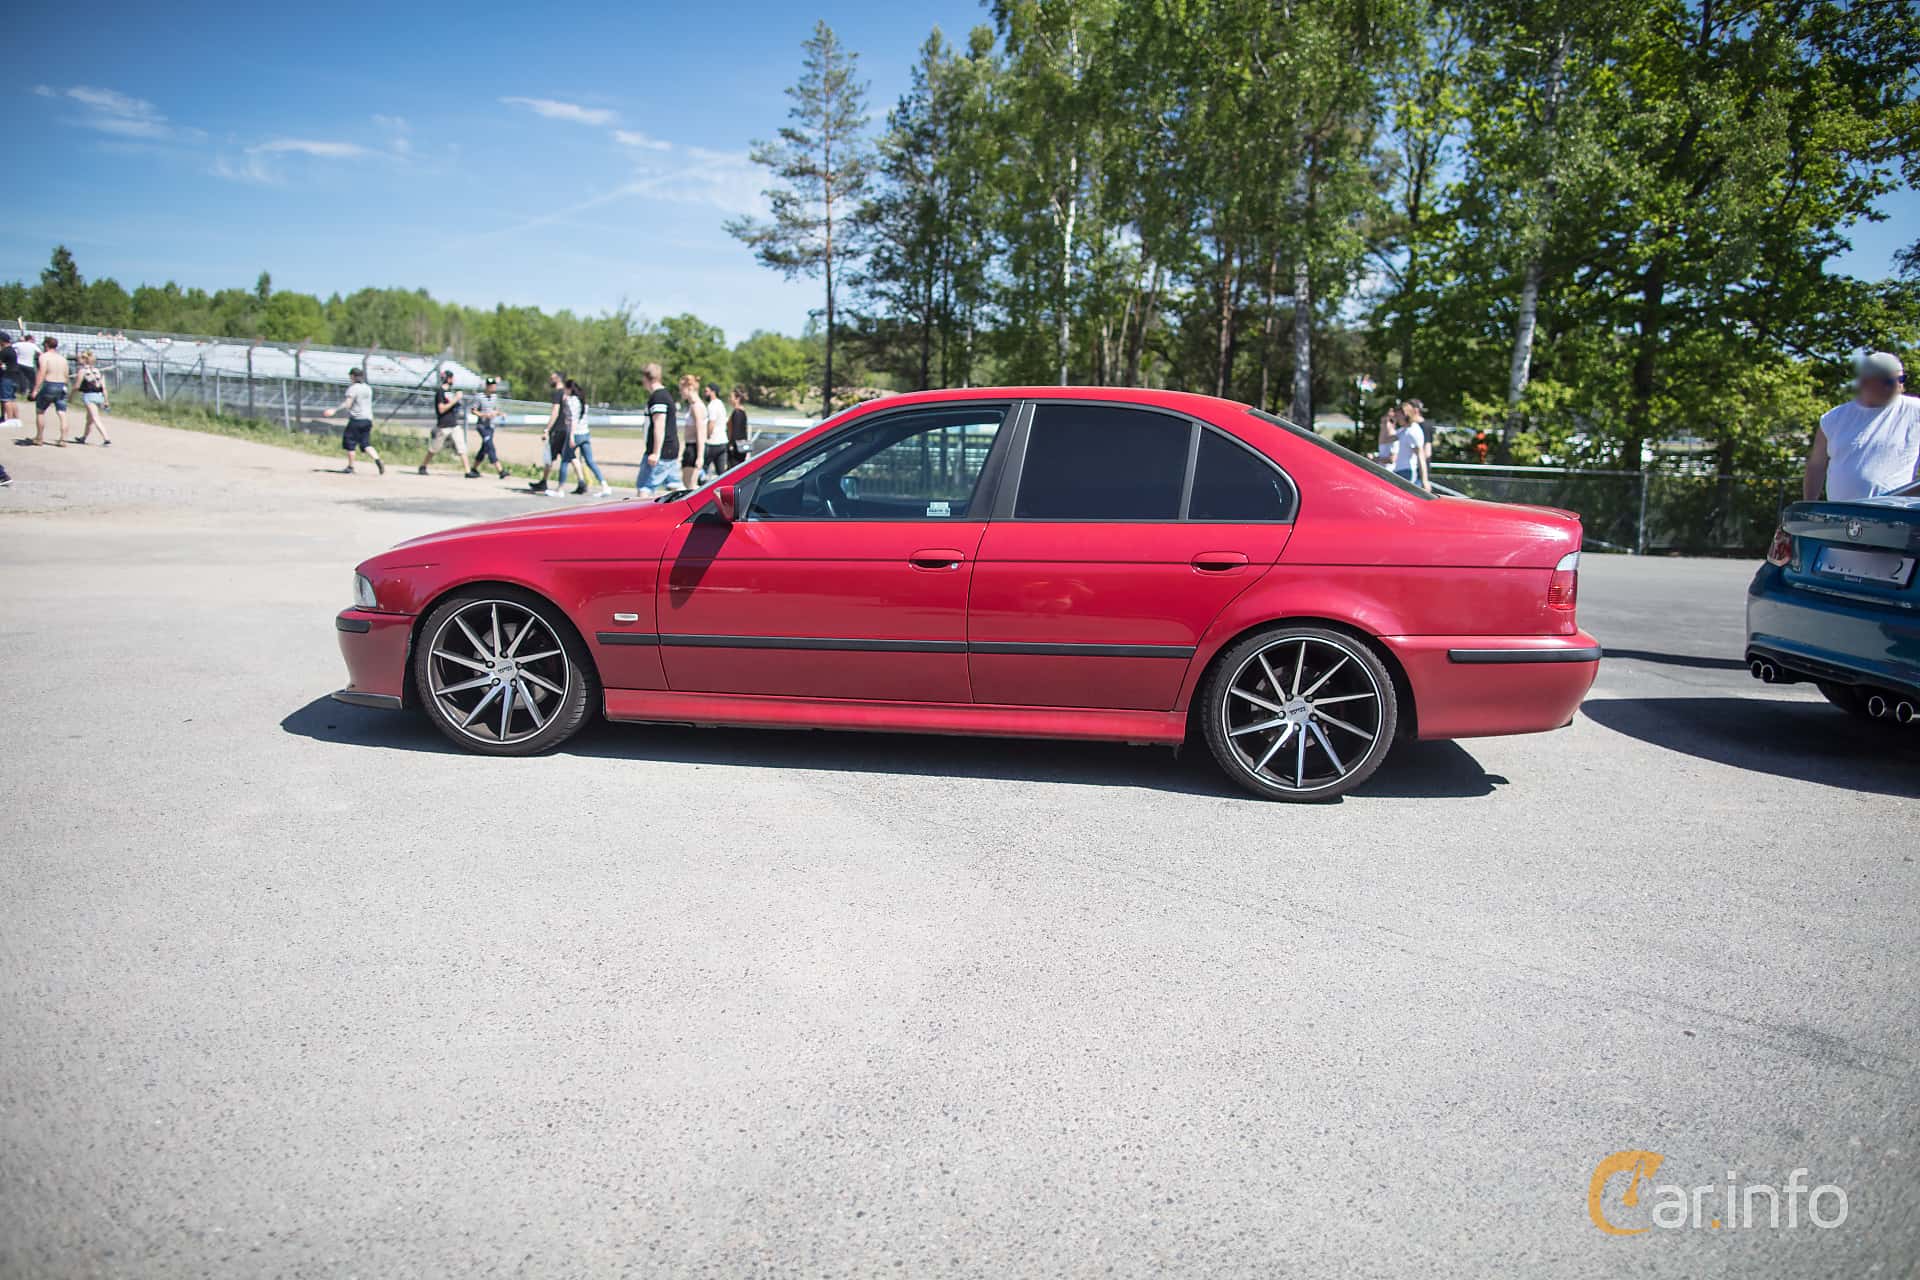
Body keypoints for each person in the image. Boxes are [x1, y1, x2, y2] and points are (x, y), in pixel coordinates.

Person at [1804, 351, 1920, 501]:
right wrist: (1808, 506)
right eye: (1890, 381)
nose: (1899, 385)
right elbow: (1816, 465)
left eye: (1902, 379)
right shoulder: (1833, 418)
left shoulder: (1915, 411)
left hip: (1893, 515)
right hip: (1840, 515)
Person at [321, 367, 385, 475]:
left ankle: (350, 466)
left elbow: (348, 404)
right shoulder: (368, 388)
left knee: (350, 442)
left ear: (353, 376)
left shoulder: (353, 388)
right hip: (368, 419)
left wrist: (334, 410)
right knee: (365, 444)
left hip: (356, 420)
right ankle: (378, 460)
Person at [556, 378, 612, 497]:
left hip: (575, 434)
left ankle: (560, 489)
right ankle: (604, 485)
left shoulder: (572, 401)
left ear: (569, 389)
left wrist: (571, 436)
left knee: (565, 461)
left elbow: (573, 419)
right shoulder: (583, 401)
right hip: (585, 433)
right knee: (590, 461)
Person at [635, 362, 680, 497]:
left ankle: (641, 517)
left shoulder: (658, 397)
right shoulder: (665, 395)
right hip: (670, 449)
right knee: (675, 487)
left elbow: (659, 425)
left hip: (661, 450)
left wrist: (655, 453)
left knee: (644, 486)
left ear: (646, 378)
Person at [419, 369, 474, 477]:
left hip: (454, 424)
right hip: (443, 425)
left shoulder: (451, 392)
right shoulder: (440, 392)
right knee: (434, 448)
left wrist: (457, 401)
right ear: (448, 379)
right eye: (452, 378)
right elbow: (441, 409)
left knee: (461, 447)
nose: (453, 380)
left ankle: (468, 471)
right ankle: (423, 466)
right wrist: (455, 399)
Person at [530, 372, 572, 494]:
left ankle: (544, 482)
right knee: (570, 456)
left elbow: (555, 411)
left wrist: (547, 429)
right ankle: (581, 481)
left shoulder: (558, 393)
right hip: (566, 428)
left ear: (558, 379)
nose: (550, 380)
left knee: (550, 456)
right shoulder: (567, 393)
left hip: (558, 429)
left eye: (552, 378)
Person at [28, 336, 70, 446]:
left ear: (46, 345)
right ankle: (63, 439)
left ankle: (39, 437)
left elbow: (42, 372)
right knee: (62, 413)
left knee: (40, 411)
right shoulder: (63, 359)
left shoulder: (44, 357)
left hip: (50, 384)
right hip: (61, 385)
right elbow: (66, 375)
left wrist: (35, 389)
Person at [469, 377, 509, 479]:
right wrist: (483, 415)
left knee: (484, 448)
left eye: (494, 386)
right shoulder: (479, 397)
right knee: (490, 446)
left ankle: (473, 469)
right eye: (491, 386)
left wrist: (500, 414)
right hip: (482, 426)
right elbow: (473, 410)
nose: (493, 387)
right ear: (487, 386)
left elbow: (497, 410)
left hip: (491, 426)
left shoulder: (495, 397)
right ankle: (500, 470)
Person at [71, 352, 111, 445]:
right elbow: (104, 387)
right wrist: (106, 400)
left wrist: (71, 396)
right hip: (99, 395)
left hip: (89, 396)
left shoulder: (82, 371)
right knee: (89, 419)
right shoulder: (98, 371)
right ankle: (84, 437)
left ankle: (106, 438)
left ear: (84, 360)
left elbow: (77, 386)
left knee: (95, 418)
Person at [1390, 400, 1429, 491]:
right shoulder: (1403, 430)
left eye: (1399, 415)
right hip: (1398, 470)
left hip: (1406, 471)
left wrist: (1425, 480)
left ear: (1406, 414)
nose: (1397, 417)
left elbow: (1420, 456)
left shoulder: (1413, 431)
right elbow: (1387, 440)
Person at [678, 374, 707, 490]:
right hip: (690, 446)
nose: (680, 392)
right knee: (686, 483)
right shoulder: (692, 406)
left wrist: (700, 456)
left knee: (690, 485)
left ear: (689, 388)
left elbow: (700, 432)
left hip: (694, 447)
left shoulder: (696, 407)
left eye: (681, 389)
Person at [701, 382, 729, 479]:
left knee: (703, 468)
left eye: (706, 391)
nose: (705, 393)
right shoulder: (720, 404)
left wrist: (707, 436)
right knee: (721, 472)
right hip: (723, 441)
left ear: (713, 392)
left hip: (713, 442)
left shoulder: (712, 405)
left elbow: (711, 422)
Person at [725, 386, 750, 471]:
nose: (729, 399)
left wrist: (731, 445)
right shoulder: (741, 412)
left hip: (736, 449)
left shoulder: (737, 412)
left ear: (737, 398)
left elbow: (736, 432)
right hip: (740, 447)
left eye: (731, 397)